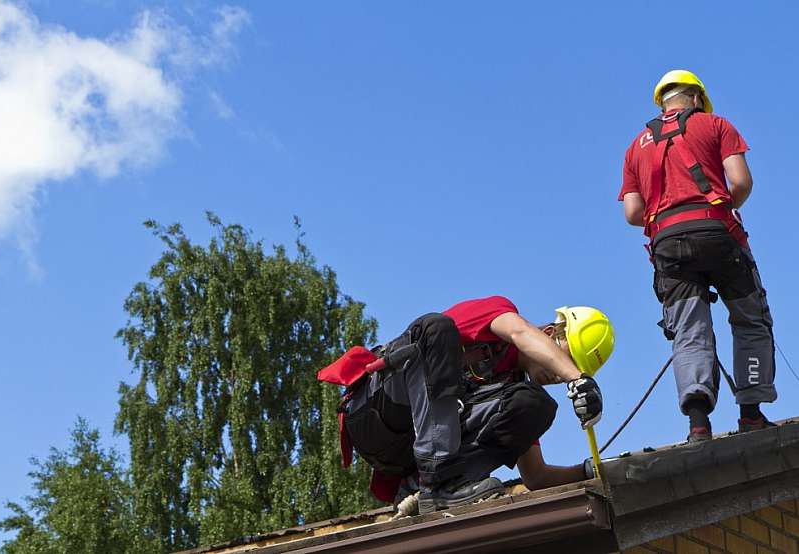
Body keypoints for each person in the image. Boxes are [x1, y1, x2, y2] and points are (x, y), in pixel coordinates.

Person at [317, 295, 614, 514]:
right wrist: (577, 378)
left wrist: (590, 470)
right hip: (377, 410)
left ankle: (435, 486)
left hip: (407, 453)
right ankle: (439, 481)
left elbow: (536, 476)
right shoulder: (499, 315)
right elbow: (520, 333)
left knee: (534, 405)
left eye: (567, 370)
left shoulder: (511, 391)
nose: (556, 374)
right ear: (550, 334)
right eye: (566, 356)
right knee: (435, 328)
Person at [618, 69, 777, 442]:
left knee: (689, 330)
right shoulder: (716, 124)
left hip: (667, 244)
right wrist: (719, 211)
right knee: (750, 319)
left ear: (663, 104)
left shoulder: (635, 146)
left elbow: (632, 213)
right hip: (717, 234)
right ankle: (751, 416)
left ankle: (698, 425)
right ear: (696, 99)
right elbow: (740, 182)